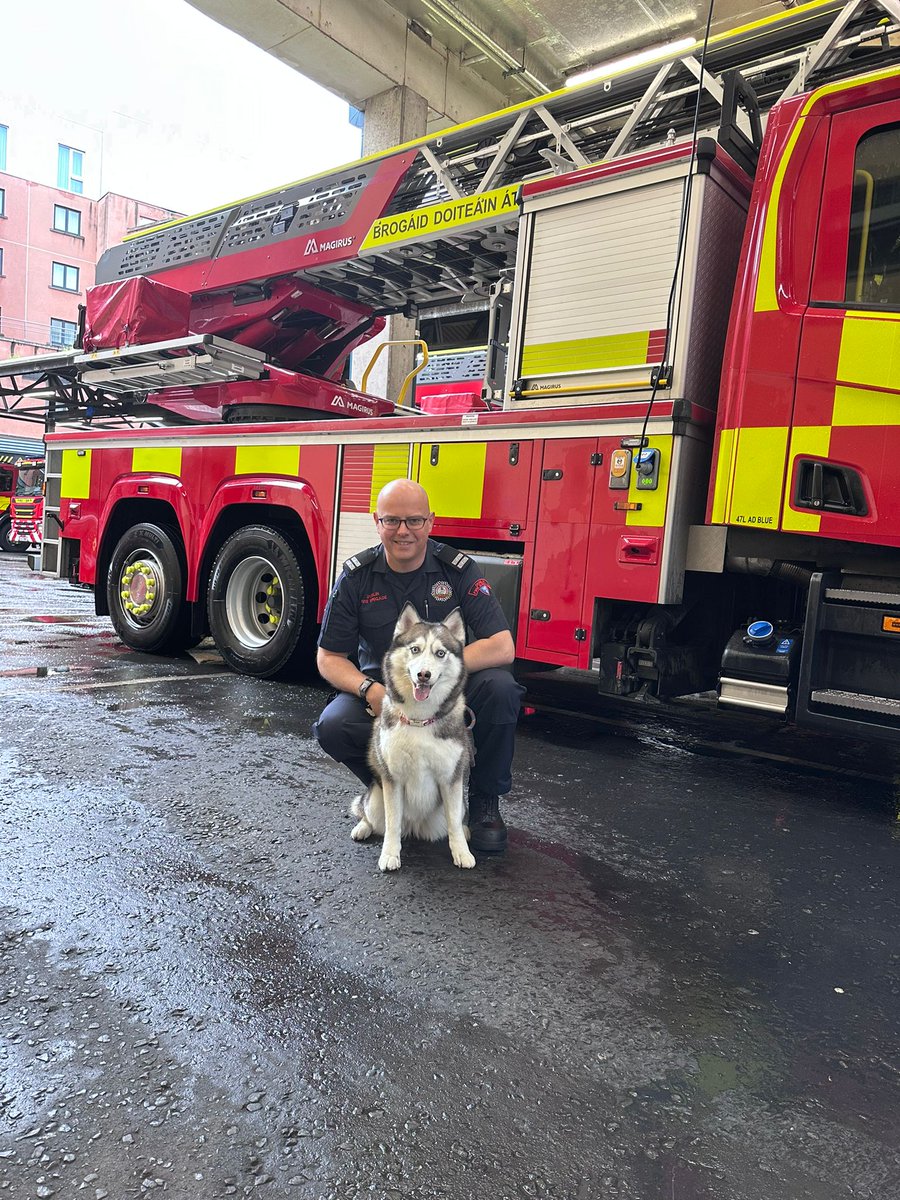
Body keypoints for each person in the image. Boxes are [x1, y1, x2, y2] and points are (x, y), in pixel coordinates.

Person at [314, 478, 524, 853]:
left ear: (430, 522)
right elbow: (328, 657)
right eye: (392, 521)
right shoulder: (356, 577)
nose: (403, 531)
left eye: (414, 520)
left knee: (501, 689)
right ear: (376, 521)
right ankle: (390, 789)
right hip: (385, 689)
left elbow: (502, 646)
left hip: (445, 686)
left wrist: (448, 671)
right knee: (333, 725)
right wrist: (370, 690)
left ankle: (484, 803)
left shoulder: (457, 571)